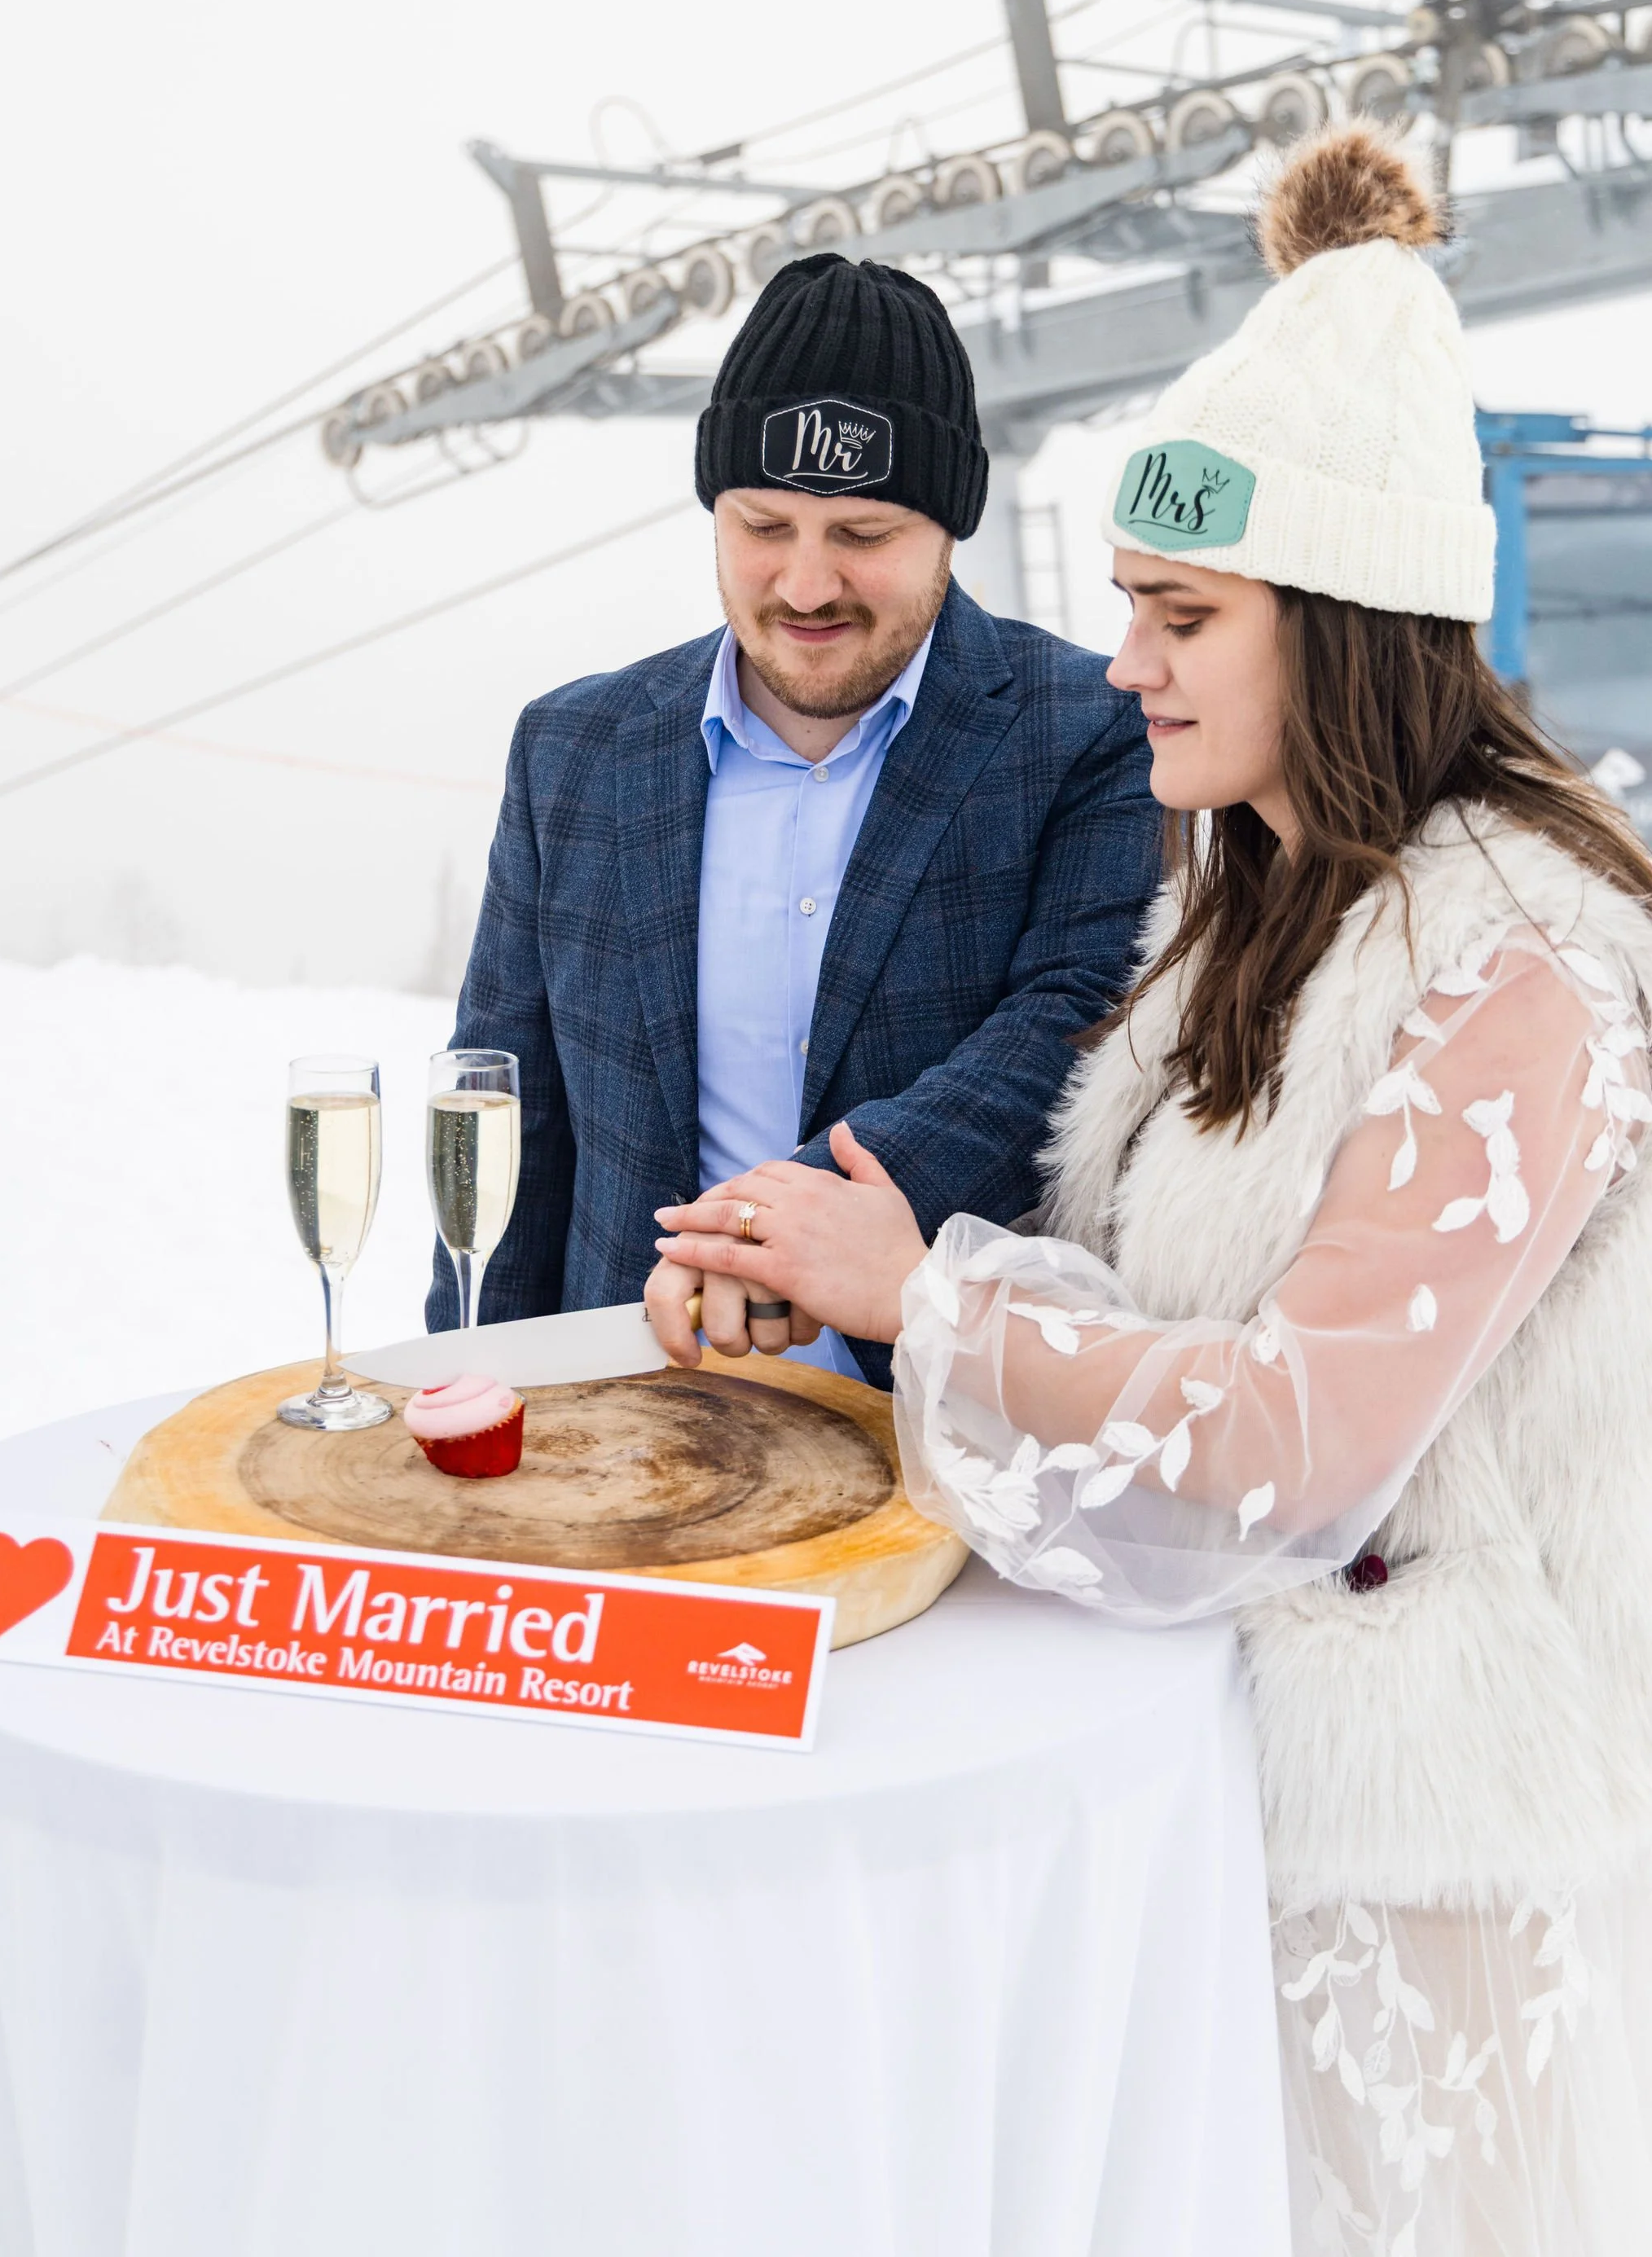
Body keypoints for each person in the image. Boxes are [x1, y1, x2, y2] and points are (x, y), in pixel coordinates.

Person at [653, 130, 1652, 2251]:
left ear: (1348, 624)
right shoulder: (1254, 913)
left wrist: (924, 1301)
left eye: (1184, 612)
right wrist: (844, 1265)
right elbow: (1151, 1289)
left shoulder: (1527, 954)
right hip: (1213, 1796)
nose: (1128, 663)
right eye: (1128, 606)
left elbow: (1302, 1442)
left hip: (1435, 1879)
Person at [428, 252, 1159, 1387]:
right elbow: (507, 1104)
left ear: (950, 526)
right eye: (764, 525)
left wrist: (778, 1224)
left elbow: (1069, 1026)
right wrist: (468, 1396)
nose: (807, 587)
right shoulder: (572, 751)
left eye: (863, 537)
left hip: (945, 1446)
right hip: (633, 1437)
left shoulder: (1084, 731)